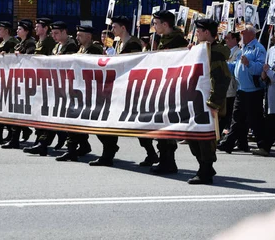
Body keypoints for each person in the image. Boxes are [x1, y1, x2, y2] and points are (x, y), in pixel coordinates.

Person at [89, 15, 147, 167]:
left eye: (114, 27)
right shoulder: (118, 43)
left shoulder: (133, 43)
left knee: (138, 125)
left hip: (129, 88)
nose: (112, 30)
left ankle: (151, 152)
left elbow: (131, 63)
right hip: (117, 87)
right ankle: (108, 153)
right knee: (105, 121)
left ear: (123, 28)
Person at [186, 19, 231, 184]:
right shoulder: (201, 50)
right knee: (192, 137)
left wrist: (214, 104)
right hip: (197, 101)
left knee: (206, 139)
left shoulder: (216, 53)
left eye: (198, 31)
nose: (196, 34)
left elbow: (223, 80)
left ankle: (205, 170)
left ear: (206, 32)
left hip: (210, 103)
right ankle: (205, 167)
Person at [24, 21, 75, 156]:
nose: (54, 36)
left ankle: (72, 147)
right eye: (52, 33)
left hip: (68, 88)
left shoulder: (71, 46)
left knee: (67, 119)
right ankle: (43, 143)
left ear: (65, 32)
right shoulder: (56, 47)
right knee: (49, 115)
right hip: (54, 86)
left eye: (56, 33)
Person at [150, 10, 189, 174]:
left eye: (156, 23)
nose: (154, 26)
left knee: (167, 125)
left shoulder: (178, 41)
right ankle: (164, 159)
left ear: (165, 24)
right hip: (163, 86)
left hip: (172, 88)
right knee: (161, 125)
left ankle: (168, 162)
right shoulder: (162, 39)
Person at [54, 25, 101, 162]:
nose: (77, 37)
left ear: (89, 36)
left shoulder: (94, 49)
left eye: (80, 35)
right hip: (78, 89)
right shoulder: (81, 49)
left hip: (91, 90)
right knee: (73, 119)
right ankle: (73, 149)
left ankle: (106, 151)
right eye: (77, 34)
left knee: (89, 121)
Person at [218, 25, 266, 153]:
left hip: (253, 90)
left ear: (251, 35)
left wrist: (249, 64)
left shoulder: (258, 49)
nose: (241, 36)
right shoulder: (244, 49)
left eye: (243, 34)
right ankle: (229, 143)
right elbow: (236, 66)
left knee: (255, 119)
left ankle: (263, 145)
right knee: (237, 118)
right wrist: (226, 65)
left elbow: (261, 68)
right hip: (242, 89)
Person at [3, 20, 36, 149]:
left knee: (19, 110)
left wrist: (21, 56)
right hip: (17, 81)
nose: (17, 31)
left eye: (20, 29)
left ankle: (16, 138)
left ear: (26, 31)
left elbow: (31, 59)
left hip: (26, 81)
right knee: (15, 110)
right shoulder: (20, 43)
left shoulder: (30, 43)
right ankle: (15, 138)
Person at [223, 32, 242, 136]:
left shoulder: (238, 52)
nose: (226, 40)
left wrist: (224, 63)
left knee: (230, 110)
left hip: (232, 86)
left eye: (228, 38)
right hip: (225, 86)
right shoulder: (226, 51)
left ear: (235, 39)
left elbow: (235, 67)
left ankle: (229, 132)